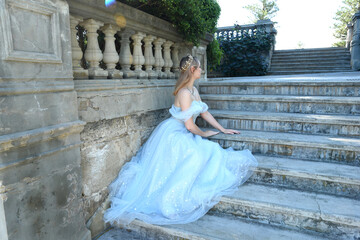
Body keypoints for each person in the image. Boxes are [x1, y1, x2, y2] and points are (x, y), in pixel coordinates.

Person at [104, 55, 258, 226]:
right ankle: (168, 200)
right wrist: (205, 133)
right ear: (192, 70)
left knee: (212, 152)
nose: (202, 70)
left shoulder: (194, 91)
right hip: (175, 132)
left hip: (184, 131)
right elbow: (190, 126)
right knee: (195, 155)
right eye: (199, 68)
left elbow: (204, 112)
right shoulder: (184, 93)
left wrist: (222, 129)